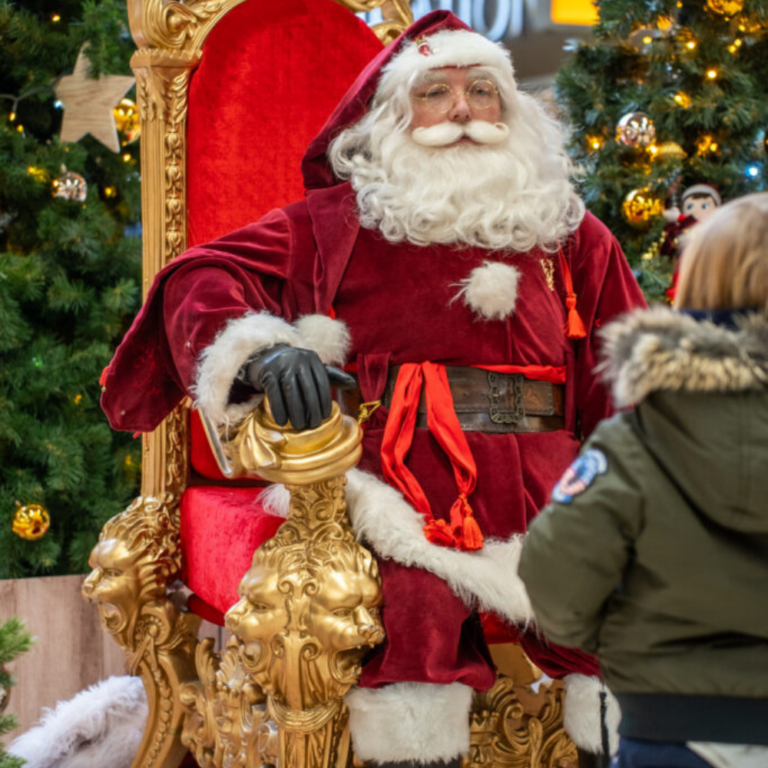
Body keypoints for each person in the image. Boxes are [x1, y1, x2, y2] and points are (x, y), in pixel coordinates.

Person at [101, 11, 646, 767]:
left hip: (551, 479)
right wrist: (260, 353)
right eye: (437, 91)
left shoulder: (567, 230)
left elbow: (630, 366)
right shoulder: (335, 222)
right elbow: (200, 277)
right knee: (414, 610)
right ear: (393, 115)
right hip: (402, 476)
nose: (463, 110)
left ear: (511, 111)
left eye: (483, 91)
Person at [519, 192, 768, 768]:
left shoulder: (633, 442)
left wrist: (624, 639)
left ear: (697, 284)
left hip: (673, 730)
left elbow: (556, 588)